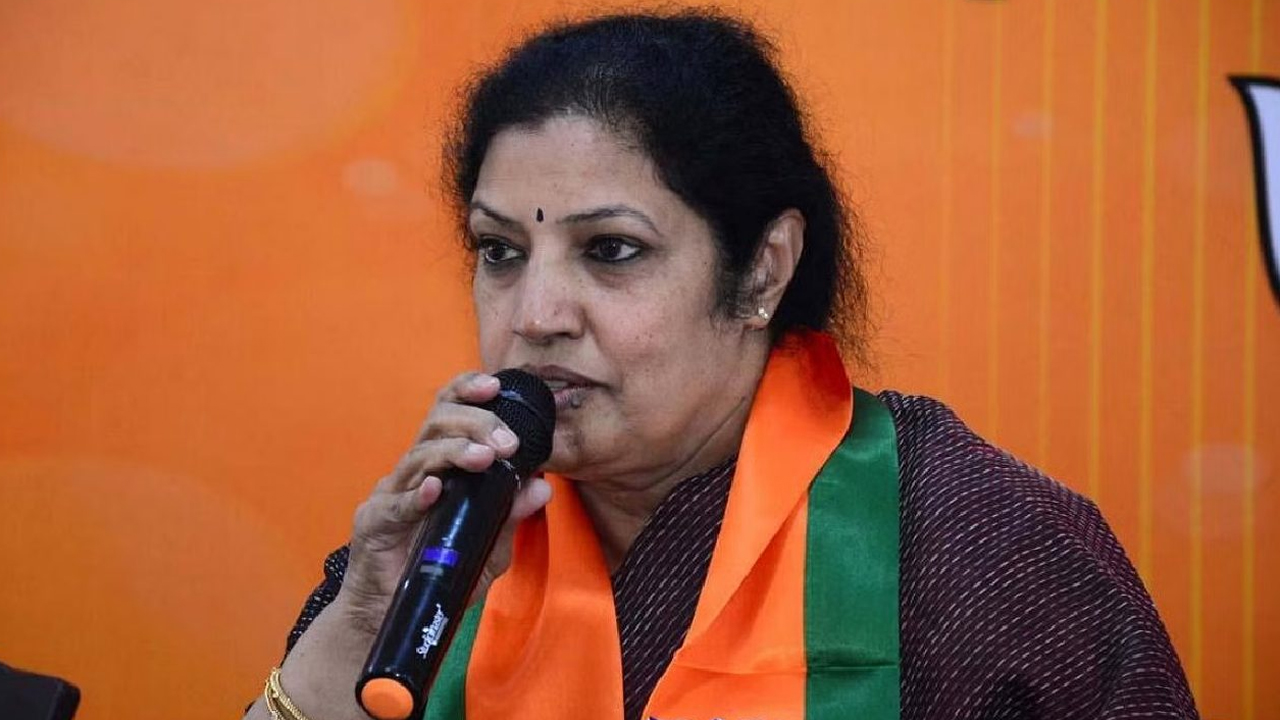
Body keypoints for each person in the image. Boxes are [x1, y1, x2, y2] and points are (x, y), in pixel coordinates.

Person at [247, 11, 1198, 720]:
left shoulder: (978, 544)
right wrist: (364, 617)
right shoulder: (442, 547)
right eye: (500, 251)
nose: (534, 317)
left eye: (611, 250)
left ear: (762, 271)